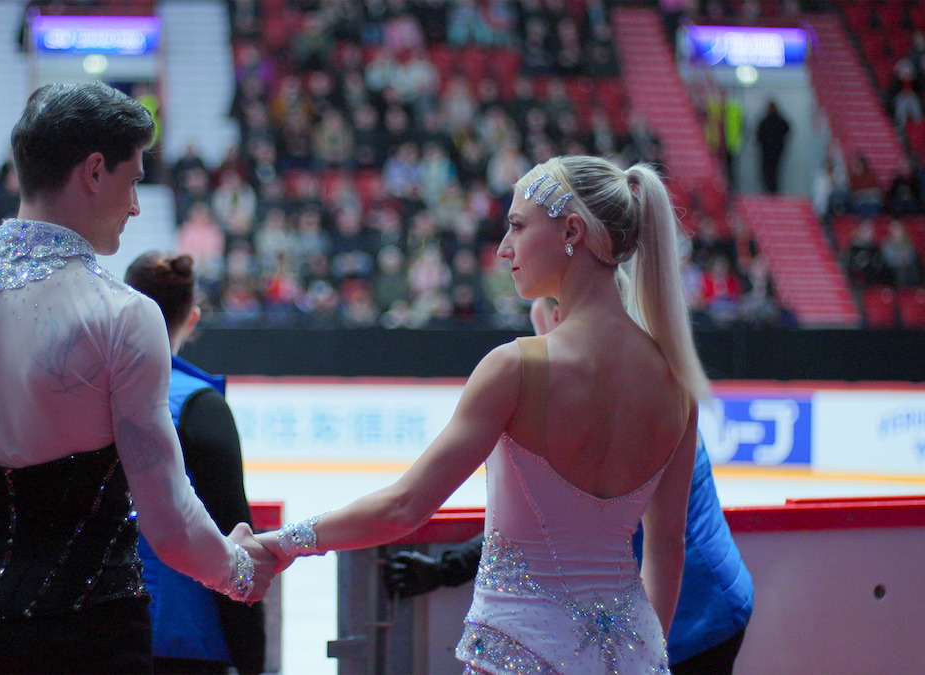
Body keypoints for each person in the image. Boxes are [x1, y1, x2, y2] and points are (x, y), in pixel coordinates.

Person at [0, 81, 273, 675]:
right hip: (90, 640)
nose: (136, 205)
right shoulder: (124, 316)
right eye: (133, 179)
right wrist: (239, 571)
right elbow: (168, 522)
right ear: (94, 171)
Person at [258, 156, 709, 673]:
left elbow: (405, 507)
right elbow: (668, 547)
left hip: (519, 654)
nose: (502, 248)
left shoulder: (516, 368)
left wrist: (283, 542)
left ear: (572, 231)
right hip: (637, 656)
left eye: (517, 226)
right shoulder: (676, 385)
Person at [384, 296, 753, 674]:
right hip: (712, 599)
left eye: (541, 332)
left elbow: (551, 529)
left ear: (564, 317)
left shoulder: (613, 399)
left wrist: (446, 569)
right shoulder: (647, 374)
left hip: (694, 617)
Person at [125, 251, 267, 675]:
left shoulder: (82, 391)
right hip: (184, 638)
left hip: (92, 632)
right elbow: (233, 533)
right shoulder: (198, 405)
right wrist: (251, 657)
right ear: (192, 316)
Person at [756, 100, 790, 194]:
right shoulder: (780, 119)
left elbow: (759, 135)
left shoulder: (765, 120)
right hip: (777, 149)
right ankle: (774, 190)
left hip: (767, 150)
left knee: (767, 171)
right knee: (775, 170)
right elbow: (788, 129)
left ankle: (770, 190)